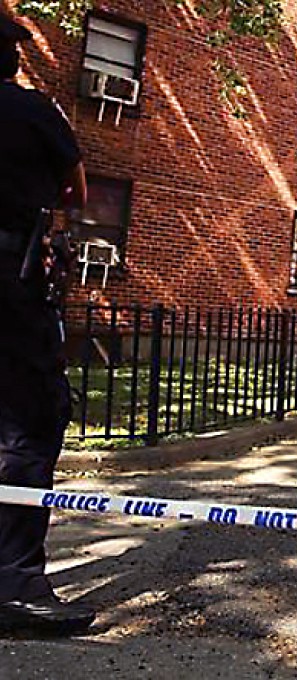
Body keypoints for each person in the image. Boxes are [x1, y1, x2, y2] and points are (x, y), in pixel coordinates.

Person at [0, 12, 95, 635]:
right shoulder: (32, 111)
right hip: (9, 289)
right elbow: (79, 191)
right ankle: (15, 583)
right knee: (29, 424)